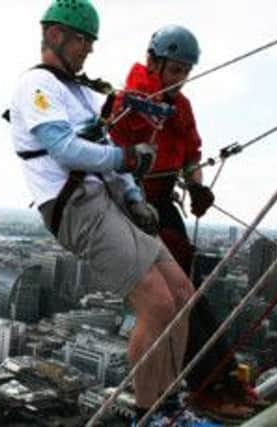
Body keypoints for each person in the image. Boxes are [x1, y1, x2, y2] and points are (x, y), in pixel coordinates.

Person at [8, 1, 195, 421]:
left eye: (91, 41)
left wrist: (133, 198)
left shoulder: (80, 93)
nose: (88, 49)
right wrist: (127, 160)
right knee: (157, 303)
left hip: (105, 198)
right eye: (82, 40)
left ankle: (172, 402)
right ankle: (152, 414)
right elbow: (64, 149)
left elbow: (106, 151)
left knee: (183, 294)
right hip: (73, 203)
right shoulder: (38, 87)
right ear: (54, 35)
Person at [109, 25, 266, 419]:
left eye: (185, 71)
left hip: (162, 203)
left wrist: (196, 186)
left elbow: (191, 153)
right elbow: (116, 149)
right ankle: (210, 382)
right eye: (175, 69)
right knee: (181, 298)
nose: (180, 78)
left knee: (190, 292)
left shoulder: (180, 106)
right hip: (137, 204)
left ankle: (221, 378)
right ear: (154, 62)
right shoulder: (129, 101)